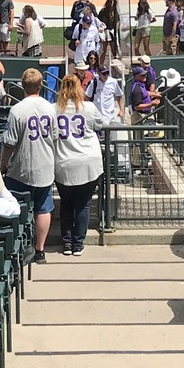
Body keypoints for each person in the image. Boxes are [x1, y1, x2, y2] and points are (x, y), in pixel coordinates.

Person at [0, 68, 58, 262]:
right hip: (44, 167)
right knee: (43, 208)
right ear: (41, 85)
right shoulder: (51, 108)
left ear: (23, 85)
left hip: (20, 169)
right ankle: (39, 251)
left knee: (16, 208)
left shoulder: (17, 109)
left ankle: (20, 246)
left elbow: (9, 144)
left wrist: (2, 165)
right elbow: (56, 138)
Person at [53, 72, 104, 256]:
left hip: (63, 163)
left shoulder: (54, 109)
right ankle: (77, 244)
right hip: (88, 163)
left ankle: (67, 243)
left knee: (67, 203)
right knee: (83, 204)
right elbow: (100, 124)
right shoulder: (88, 107)